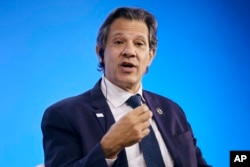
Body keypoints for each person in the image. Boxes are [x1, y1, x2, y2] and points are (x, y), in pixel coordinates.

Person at [41, 7, 211, 167]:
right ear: (100, 53)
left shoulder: (172, 111)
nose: (129, 51)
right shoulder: (64, 115)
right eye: (119, 41)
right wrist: (108, 148)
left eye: (139, 44)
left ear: (150, 56)